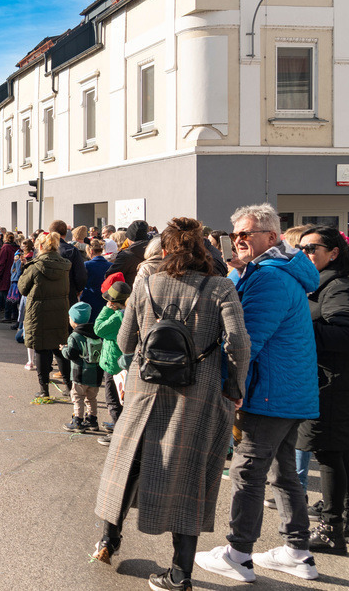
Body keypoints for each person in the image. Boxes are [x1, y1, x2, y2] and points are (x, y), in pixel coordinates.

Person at [93, 218, 250, 591]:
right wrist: (234, 385)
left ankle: (107, 540)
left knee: (127, 462)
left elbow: (128, 341)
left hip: (147, 389)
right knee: (190, 474)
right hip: (201, 390)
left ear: (165, 250)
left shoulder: (146, 282)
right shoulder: (221, 286)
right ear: (203, 249)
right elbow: (239, 344)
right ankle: (180, 572)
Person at [195, 203, 320, 583]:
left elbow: (247, 342)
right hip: (285, 392)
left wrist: (228, 387)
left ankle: (238, 553)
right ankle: (298, 551)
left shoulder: (268, 278)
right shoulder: (272, 272)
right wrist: (236, 275)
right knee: (283, 474)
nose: (238, 241)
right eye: (234, 235)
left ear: (271, 236)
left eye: (246, 234)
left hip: (269, 392)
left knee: (248, 472)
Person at [294, 226, 349, 552]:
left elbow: (347, 335)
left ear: (333, 253)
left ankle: (332, 530)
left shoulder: (339, 288)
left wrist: (300, 324)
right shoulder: (325, 284)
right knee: (337, 450)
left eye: (311, 249)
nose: (303, 254)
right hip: (330, 382)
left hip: (334, 385)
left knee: (329, 451)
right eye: (300, 248)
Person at [17, 231, 72, 401]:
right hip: (60, 309)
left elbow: (22, 288)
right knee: (60, 348)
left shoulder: (34, 266)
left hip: (38, 311)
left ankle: (44, 390)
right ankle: (70, 388)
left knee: (41, 348)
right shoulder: (64, 266)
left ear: (40, 247)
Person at [93, 279, 131, 446]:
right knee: (124, 399)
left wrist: (106, 310)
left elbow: (98, 329)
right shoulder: (131, 313)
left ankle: (118, 432)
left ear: (114, 302)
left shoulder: (117, 317)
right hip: (125, 364)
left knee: (113, 399)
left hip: (113, 364)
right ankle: (119, 426)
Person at [60, 301, 102, 432]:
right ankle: (92, 420)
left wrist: (63, 349)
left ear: (74, 320)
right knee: (92, 398)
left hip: (80, 373)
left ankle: (77, 420)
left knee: (78, 397)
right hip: (96, 373)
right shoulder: (96, 332)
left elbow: (71, 354)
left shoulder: (75, 336)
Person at [105, 220, 150, 285]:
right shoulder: (155, 251)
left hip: (129, 292)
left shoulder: (126, 255)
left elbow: (110, 276)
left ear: (129, 238)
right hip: (151, 291)